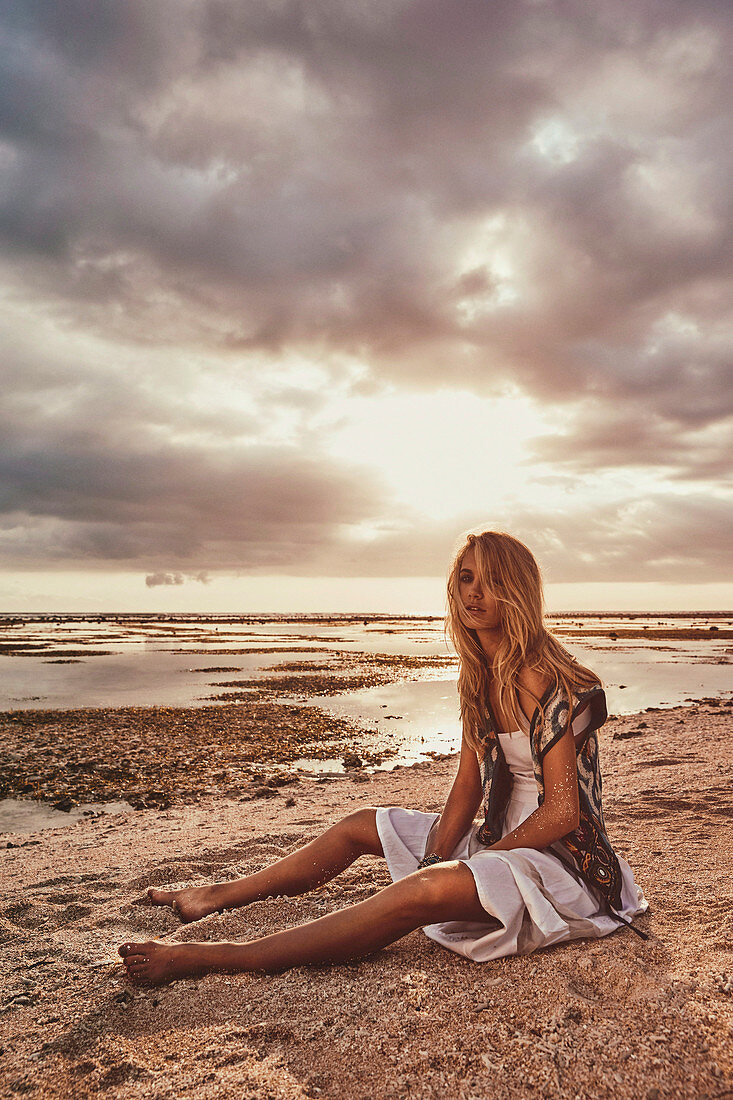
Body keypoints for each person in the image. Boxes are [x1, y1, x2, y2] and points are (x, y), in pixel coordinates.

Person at [119, 530, 648, 984]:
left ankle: (215, 958)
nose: (474, 593)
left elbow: (562, 811)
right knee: (359, 825)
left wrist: (475, 862)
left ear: (518, 591)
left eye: (490, 581)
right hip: (498, 834)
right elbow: (468, 786)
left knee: (420, 892)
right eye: (465, 578)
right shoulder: (478, 676)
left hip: (562, 861)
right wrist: (440, 850)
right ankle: (215, 896)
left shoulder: (542, 676)